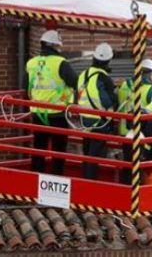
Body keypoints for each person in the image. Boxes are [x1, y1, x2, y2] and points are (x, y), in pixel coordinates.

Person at [27, 30, 77, 175]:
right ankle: (56, 178)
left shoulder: (32, 63)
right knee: (58, 151)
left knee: (38, 148)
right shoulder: (61, 63)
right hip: (57, 113)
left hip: (38, 112)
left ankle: (35, 176)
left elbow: (27, 86)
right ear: (55, 46)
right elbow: (75, 82)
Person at [76, 43, 118, 180]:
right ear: (108, 61)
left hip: (84, 121)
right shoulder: (103, 77)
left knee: (87, 153)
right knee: (94, 156)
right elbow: (107, 101)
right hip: (100, 122)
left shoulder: (83, 74)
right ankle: (90, 183)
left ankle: (85, 181)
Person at [116, 58, 152, 184]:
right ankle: (136, 189)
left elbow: (119, 103)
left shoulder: (124, 85)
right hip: (141, 132)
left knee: (128, 161)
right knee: (139, 162)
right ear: (150, 74)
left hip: (124, 131)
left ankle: (125, 187)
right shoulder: (150, 90)